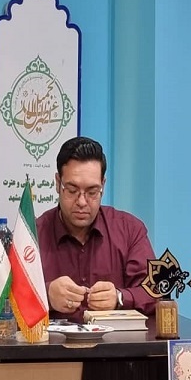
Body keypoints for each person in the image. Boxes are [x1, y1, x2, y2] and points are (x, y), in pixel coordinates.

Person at [36, 136, 157, 323]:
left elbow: (155, 291)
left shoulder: (130, 230)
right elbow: (5, 301)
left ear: (103, 185)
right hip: (52, 341)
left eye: (92, 192)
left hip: (116, 341)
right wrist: (45, 296)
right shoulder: (34, 235)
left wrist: (119, 298)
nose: (82, 202)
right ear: (58, 183)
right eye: (72, 190)